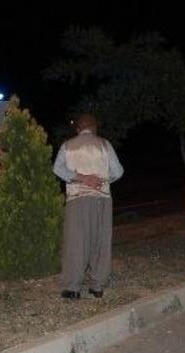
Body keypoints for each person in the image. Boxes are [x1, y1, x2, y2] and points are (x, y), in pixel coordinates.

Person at [53, 113, 124, 299]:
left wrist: (82, 178)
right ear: (94, 128)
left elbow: (57, 169)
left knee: (76, 241)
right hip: (101, 198)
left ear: (78, 129)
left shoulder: (67, 145)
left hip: (77, 198)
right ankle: (97, 286)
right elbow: (118, 171)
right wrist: (101, 180)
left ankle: (73, 288)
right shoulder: (104, 144)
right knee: (101, 240)